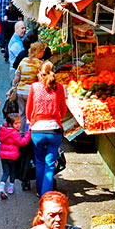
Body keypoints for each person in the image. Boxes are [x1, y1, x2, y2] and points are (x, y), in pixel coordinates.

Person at [25, 62, 68, 196]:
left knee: (39, 162)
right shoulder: (60, 87)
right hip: (54, 130)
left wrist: (32, 121)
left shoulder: (34, 87)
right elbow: (63, 110)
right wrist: (56, 118)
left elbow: (28, 110)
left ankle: (40, 192)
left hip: (37, 130)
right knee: (50, 164)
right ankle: (46, 194)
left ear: (40, 73)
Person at [0, 106, 31, 199]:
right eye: (16, 123)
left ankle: (1, 187)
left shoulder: (3, 130)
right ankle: (11, 187)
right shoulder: (14, 133)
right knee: (12, 171)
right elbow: (22, 142)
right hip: (13, 156)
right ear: (10, 124)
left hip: (3, 156)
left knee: (5, 172)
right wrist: (28, 134)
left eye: (19, 122)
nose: (18, 125)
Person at [12, 41, 46, 114]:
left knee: (21, 113)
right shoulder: (40, 64)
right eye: (43, 51)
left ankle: (21, 122)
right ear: (39, 52)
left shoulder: (23, 60)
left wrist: (14, 86)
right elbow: (41, 80)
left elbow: (17, 76)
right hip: (31, 92)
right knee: (31, 113)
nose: (43, 53)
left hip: (20, 91)